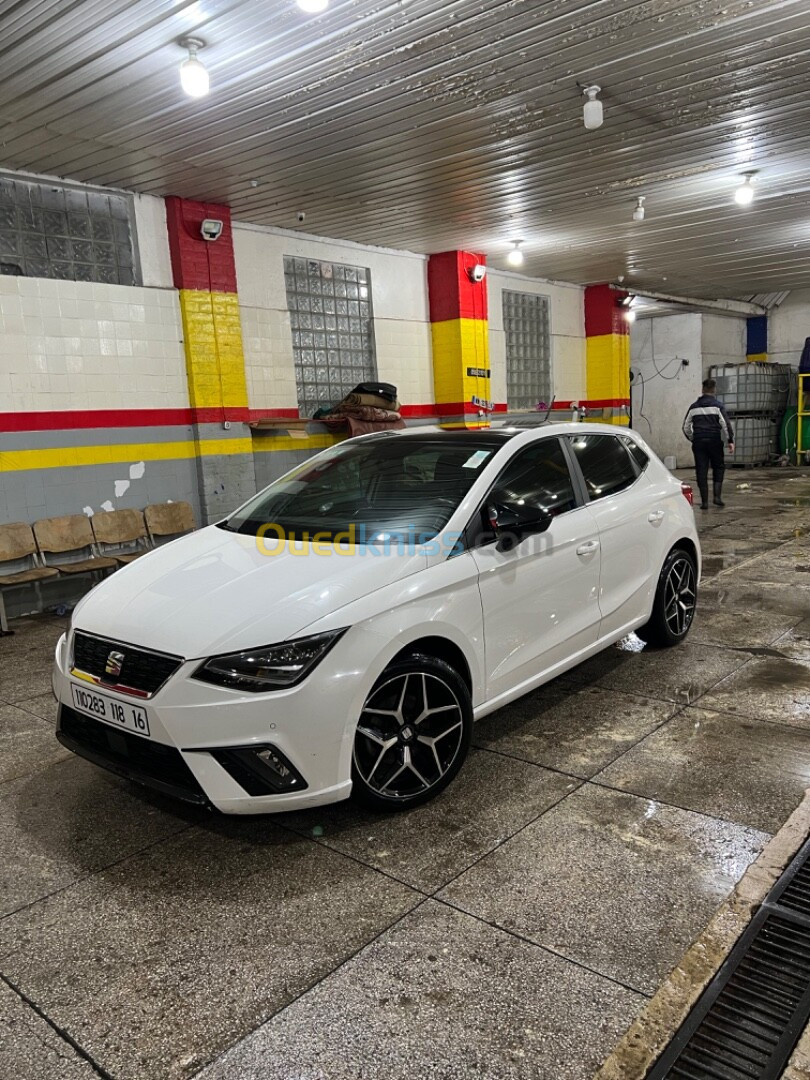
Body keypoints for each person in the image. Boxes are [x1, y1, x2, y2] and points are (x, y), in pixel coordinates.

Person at [682, 378, 735, 509]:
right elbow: (726, 425)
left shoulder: (693, 407)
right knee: (718, 467)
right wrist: (730, 440)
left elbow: (685, 427)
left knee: (701, 470)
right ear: (714, 390)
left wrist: (693, 438)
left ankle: (705, 502)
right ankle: (717, 497)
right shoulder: (718, 406)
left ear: (702, 390)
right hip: (714, 440)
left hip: (699, 441)